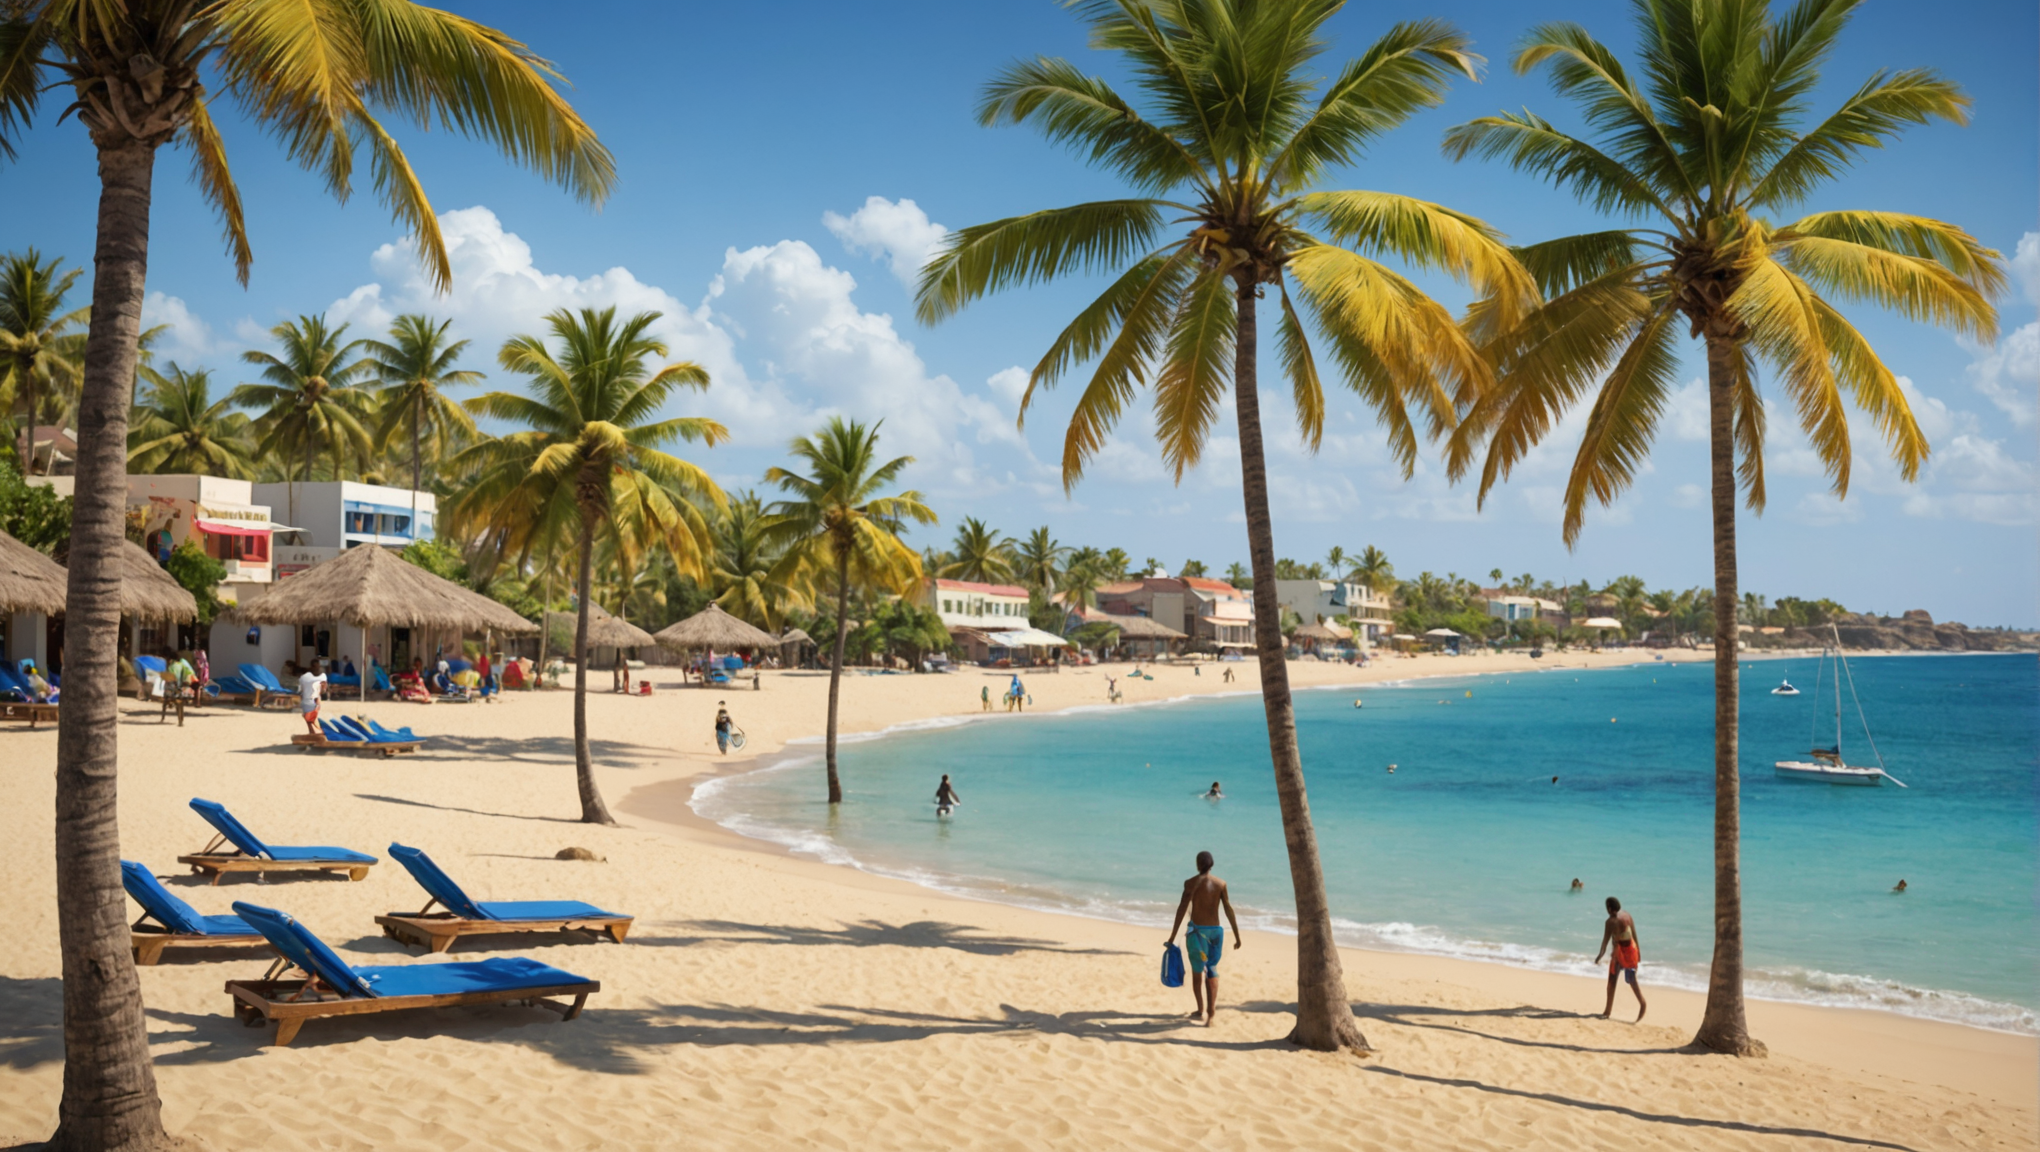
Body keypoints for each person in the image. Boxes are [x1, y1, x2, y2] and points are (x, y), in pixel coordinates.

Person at [1166, 850, 1242, 1026]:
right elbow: (1229, 910)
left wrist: (1172, 936)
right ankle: (1211, 1015)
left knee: (1197, 972)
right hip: (1215, 933)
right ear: (1212, 864)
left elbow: (1181, 909)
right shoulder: (1221, 884)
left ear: (1197, 865)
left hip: (1197, 935)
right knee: (1212, 969)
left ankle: (1200, 1010)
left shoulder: (1190, 884)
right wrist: (1237, 935)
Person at [1594, 896, 1647, 1021]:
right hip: (1631, 951)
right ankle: (1642, 1003)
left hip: (1619, 955)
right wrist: (1638, 952)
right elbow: (1634, 934)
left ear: (1609, 908)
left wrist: (1599, 956)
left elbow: (1605, 942)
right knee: (1632, 981)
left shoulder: (1610, 922)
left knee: (1611, 983)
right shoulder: (1627, 915)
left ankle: (1607, 1011)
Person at [297, 658, 327, 737]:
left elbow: (300, 690)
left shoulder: (305, 677)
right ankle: (316, 732)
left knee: (310, 719)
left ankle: (319, 732)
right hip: (312, 700)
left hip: (309, 700)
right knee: (310, 718)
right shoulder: (322, 677)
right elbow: (323, 690)